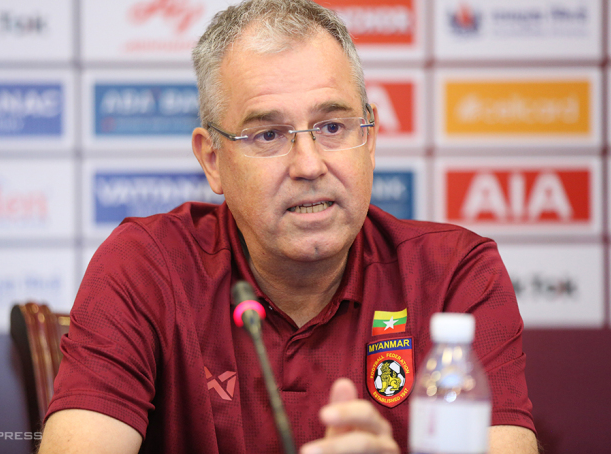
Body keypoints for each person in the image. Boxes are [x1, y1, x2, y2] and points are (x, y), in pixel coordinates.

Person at [38, 1, 538, 453]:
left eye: (333, 127)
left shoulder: (455, 274)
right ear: (213, 160)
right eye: (269, 134)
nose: (309, 164)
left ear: (371, 138)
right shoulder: (146, 265)